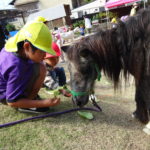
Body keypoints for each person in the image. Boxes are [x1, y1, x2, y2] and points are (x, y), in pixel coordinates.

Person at [0, 22, 60, 113]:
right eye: (42, 52)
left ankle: (29, 99)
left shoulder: (17, 48)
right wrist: (44, 103)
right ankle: (25, 105)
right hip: (6, 95)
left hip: (12, 84)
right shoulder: (16, 66)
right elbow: (12, 101)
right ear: (27, 46)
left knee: (41, 66)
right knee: (40, 67)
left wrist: (59, 88)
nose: (44, 56)